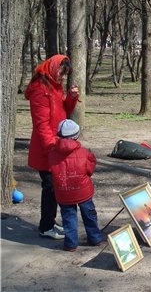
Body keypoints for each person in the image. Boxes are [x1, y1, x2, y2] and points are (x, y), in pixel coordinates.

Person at [24, 54, 80, 239]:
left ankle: (50, 222)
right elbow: (42, 125)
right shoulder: (40, 90)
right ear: (53, 69)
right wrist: (53, 149)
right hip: (46, 149)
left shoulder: (54, 87)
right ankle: (45, 227)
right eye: (60, 74)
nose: (62, 78)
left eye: (64, 75)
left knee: (55, 187)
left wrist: (71, 98)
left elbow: (64, 111)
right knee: (49, 188)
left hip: (57, 145)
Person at [48, 119, 103, 252]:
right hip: (83, 192)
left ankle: (71, 244)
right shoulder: (84, 153)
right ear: (76, 136)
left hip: (63, 192)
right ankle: (95, 238)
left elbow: (51, 171)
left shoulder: (52, 154)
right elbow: (89, 171)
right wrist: (92, 160)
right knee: (89, 215)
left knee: (68, 218)